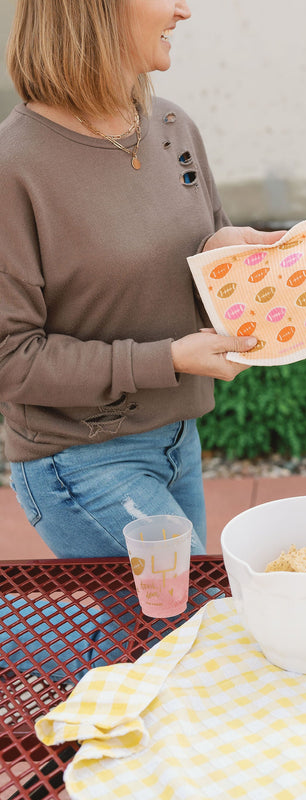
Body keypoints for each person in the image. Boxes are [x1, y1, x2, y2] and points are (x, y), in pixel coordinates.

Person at [0, 0, 284, 558]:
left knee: (154, 635)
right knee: (188, 624)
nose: (184, 10)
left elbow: (174, 261)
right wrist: (169, 359)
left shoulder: (173, 128)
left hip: (179, 438)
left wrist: (216, 253)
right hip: (81, 458)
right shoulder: (15, 165)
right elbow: (11, 359)